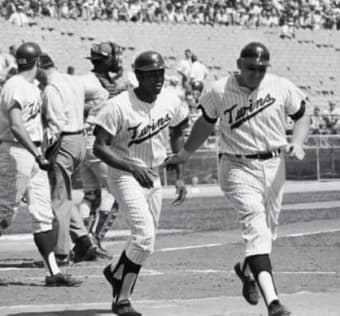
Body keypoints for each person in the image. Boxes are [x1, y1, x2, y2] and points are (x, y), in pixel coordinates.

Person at [166, 42, 309, 316]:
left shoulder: (280, 86)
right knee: (256, 225)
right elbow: (205, 124)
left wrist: (299, 141)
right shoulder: (220, 90)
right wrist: (184, 154)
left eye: (262, 68)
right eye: (251, 67)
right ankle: (274, 303)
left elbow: (302, 114)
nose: (256, 73)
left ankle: (246, 270)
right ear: (239, 64)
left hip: (274, 164)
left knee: (268, 233)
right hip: (236, 165)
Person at [92, 50, 188, 316]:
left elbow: (180, 128)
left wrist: (179, 175)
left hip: (153, 174)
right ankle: (121, 299)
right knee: (144, 238)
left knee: (146, 241)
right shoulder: (119, 105)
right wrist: (131, 166)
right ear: (138, 76)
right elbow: (99, 147)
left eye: (160, 73)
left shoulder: (170, 100)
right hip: (124, 172)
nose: (157, 79)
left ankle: (115, 272)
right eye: (150, 75)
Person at [0, 42, 81, 286]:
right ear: (37, 62)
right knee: (4, 214)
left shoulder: (31, 86)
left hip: (31, 151)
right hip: (16, 151)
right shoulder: (15, 85)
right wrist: (37, 154)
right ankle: (53, 271)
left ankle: (53, 272)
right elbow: (15, 124)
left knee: (43, 215)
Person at [39, 53, 112, 265]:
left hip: (64, 140)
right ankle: (83, 241)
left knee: (59, 199)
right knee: (65, 195)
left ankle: (61, 253)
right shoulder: (73, 80)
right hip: (80, 138)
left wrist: (43, 151)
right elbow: (102, 94)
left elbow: (55, 125)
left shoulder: (51, 89)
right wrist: (91, 117)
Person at [80, 42, 125, 253]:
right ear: (106, 59)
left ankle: (81, 243)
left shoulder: (96, 81)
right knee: (114, 191)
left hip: (85, 141)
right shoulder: (91, 83)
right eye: (113, 57)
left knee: (91, 195)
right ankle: (95, 241)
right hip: (96, 142)